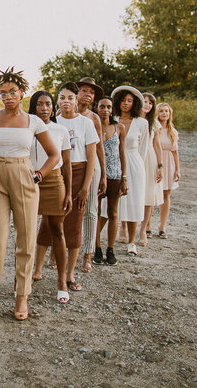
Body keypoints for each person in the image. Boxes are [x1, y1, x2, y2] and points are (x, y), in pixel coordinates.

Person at [0, 68, 59, 322]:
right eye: (3, 93)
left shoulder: (33, 121)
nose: (8, 96)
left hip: (24, 176)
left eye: (12, 91)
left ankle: (22, 294)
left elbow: (53, 154)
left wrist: (38, 176)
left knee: (26, 239)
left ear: (22, 92)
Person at [55, 82, 99, 291]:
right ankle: (40, 268)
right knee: (51, 221)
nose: (66, 101)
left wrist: (86, 187)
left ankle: (69, 274)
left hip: (79, 172)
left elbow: (91, 158)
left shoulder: (86, 123)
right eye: (62, 97)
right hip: (56, 174)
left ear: (76, 100)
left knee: (74, 224)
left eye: (70, 97)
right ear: (58, 100)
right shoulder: (52, 121)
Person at [29, 90, 72, 303]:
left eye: (48, 104)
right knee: (26, 231)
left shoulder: (60, 129)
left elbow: (67, 163)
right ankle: (26, 275)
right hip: (29, 181)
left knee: (58, 230)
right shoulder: (25, 126)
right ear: (33, 106)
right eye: (40, 104)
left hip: (55, 181)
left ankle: (62, 282)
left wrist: (69, 192)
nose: (44, 108)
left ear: (52, 107)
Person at [111, 86, 148, 256]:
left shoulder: (142, 123)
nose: (126, 103)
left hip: (134, 162)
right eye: (123, 100)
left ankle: (132, 241)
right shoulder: (113, 118)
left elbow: (143, 149)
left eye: (129, 101)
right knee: (111, 202)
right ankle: (111, 238)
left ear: (134, 103)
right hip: (114, 161)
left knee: (134, 201)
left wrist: (137, 165)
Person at [75, 77, 107, 273]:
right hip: (70, 165)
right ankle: (55, 251)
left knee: (90, 210)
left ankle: (87, 255)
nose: (88, 94)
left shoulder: (93, 118)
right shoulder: (61, 113)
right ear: (76, 92)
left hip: (92, 165)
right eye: (84, 90)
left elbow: (100, 147)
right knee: (62, 207)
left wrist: (103, 173)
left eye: (92, 92)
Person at [94, 97, 128, 266]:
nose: (105, 110)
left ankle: (111, 249)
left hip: (115, 174)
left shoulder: (119, 127)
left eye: (108, 107)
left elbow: (122, 153)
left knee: (113, 213)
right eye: (102, 106)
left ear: (112, 109)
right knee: (96, 212)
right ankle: (97, 248)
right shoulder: (92, 126)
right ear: (97, 107)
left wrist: (124, 178)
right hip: (98, 174)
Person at [139, 92, 164, 246]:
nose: (147, 105)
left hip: (150, 159)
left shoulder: (153, 123)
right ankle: (124, 228)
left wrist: (160, 165)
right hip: (135, 156)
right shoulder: (132, 119)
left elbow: (157, 145)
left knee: (149, 195)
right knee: (131, 193)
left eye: (150, 103)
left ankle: (143, 229)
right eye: (145, 101)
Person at [155, 102, 181, 238]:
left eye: (167, 111)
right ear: (157, 114)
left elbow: (175, 152)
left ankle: (162, 226)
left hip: (169, 162)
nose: (164, 113)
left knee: (166, 195)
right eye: (161, 111)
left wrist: (178, 170)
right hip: (157, 162)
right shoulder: (155, 129)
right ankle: (147, 226)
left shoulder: (173, 131)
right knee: (153, 193)